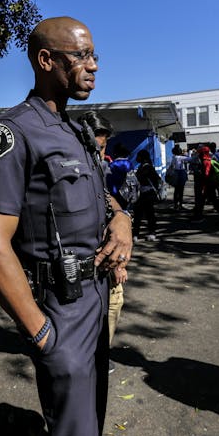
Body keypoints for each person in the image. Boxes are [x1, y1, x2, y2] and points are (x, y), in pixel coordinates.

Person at [0, 16, 132, 436]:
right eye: (81, 56)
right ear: (46, 60)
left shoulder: (75, 128)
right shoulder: (15, 132)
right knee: (75, 435)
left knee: (90, 422)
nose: (94, 65)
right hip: (59, 304)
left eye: (94, 55)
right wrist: (41, 333)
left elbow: (104, 196)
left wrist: (123, 219)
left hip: (95, 297)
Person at [79, 111, 129, 376]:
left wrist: (122, 217)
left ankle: (99, 355)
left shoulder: (98, 166)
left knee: (113, 305)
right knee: (107, 307)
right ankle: (96, 360)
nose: (100, 153)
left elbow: (106, 199)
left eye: (104, 146)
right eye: (97, 146)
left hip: (106, 258)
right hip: (89, 260)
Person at [192, 145, 219, 223]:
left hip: (207, 184)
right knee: (212, 200)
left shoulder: (206, 161)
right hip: (210, 184)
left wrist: (202, 182)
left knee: (203, 201)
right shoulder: (209, 159)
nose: (199, 154)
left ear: (203, 153)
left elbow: (206, 174)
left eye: (200, 153)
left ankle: (198, 217)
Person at [132, 150, 159, 242]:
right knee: (149, 214)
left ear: (142, 157)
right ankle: (150, 233)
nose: (136, 158)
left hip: (145, 194)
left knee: (140, 215)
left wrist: (135, 176)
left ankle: (137, 234)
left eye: (138, 156)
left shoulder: (146, 167)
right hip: (147, 194)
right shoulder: (146, 166)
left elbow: (141, 178)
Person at [108, 143, 133, 208]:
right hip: (127, 191)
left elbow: (109, 179)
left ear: (115, 153)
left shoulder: (112, 165)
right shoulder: (129, 163)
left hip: (115, 192)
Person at [168, 146, 190, 210]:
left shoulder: (173, 157)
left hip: (175, 174)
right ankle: (180, 204)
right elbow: (190, 159)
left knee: (176, 190)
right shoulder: (180, 157)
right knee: (181, 190)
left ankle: (175, 204)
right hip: (180, 174)